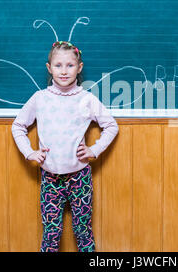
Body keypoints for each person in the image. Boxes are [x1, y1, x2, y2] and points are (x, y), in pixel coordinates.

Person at [11, 40, 119, 252]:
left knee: (83, 230)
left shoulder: (86, 99)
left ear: (79, 68)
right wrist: (29, 152)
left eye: (70, 65)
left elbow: (111, 126)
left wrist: (94, 150)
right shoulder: (40, 98)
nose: (64, 71)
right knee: (51, 233)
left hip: (80, 176)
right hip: (50, 177)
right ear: (49, 68)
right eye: (58, 65)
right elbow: (18, 125)